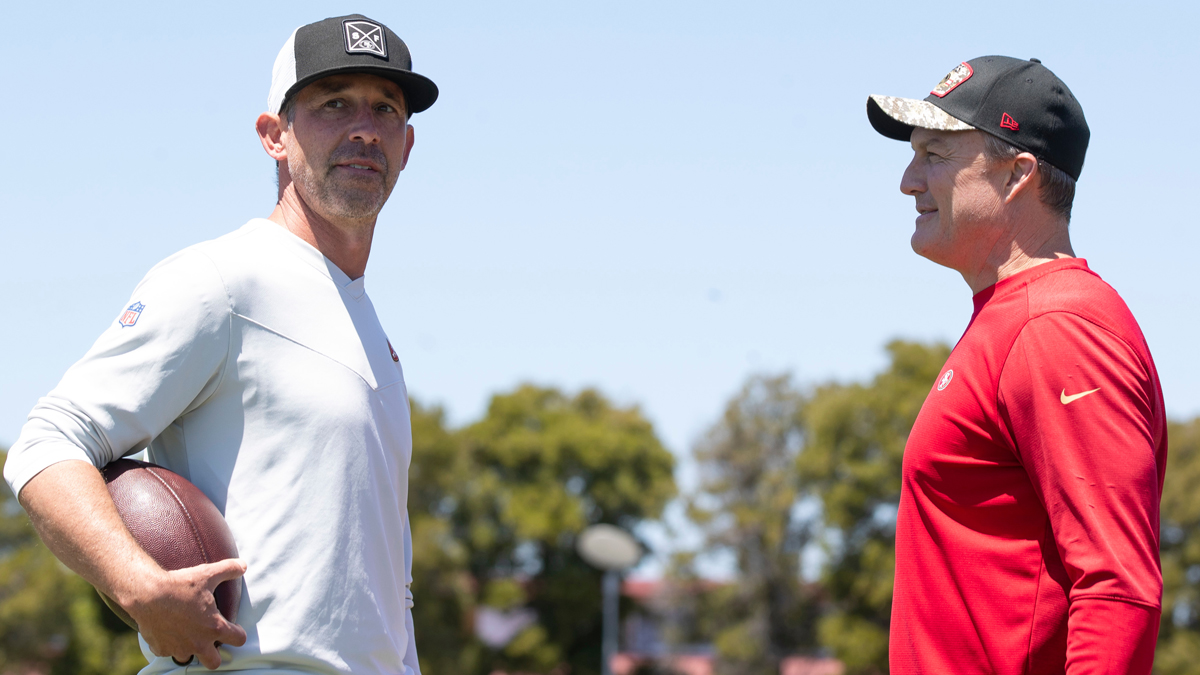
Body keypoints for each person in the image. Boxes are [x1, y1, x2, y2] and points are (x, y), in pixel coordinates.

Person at [2, 13, 437, 675]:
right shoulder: (221, 281)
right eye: (333, 103)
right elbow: (48, 441)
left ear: (406, 145)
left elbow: (380, 596)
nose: (363, 127)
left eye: (384, 108)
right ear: (274, 136)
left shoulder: (374, 336)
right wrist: (140, 585)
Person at [867, 56, 1166, 673]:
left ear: (1017, 174)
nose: (908, 180)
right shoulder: (1014, 319)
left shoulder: (1054, 327)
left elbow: (1117, 589)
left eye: (936, 155)